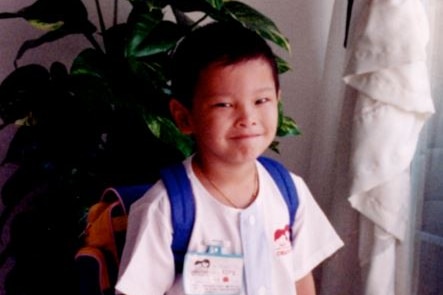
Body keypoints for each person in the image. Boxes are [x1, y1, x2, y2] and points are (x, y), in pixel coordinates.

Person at [115, 21, 343, 295]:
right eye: (224, 104)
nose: (248, 119)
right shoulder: (164, 209)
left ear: (278, 100)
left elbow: (300, 279)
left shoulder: (289, 191)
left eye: (261, 101)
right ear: (184, 117)